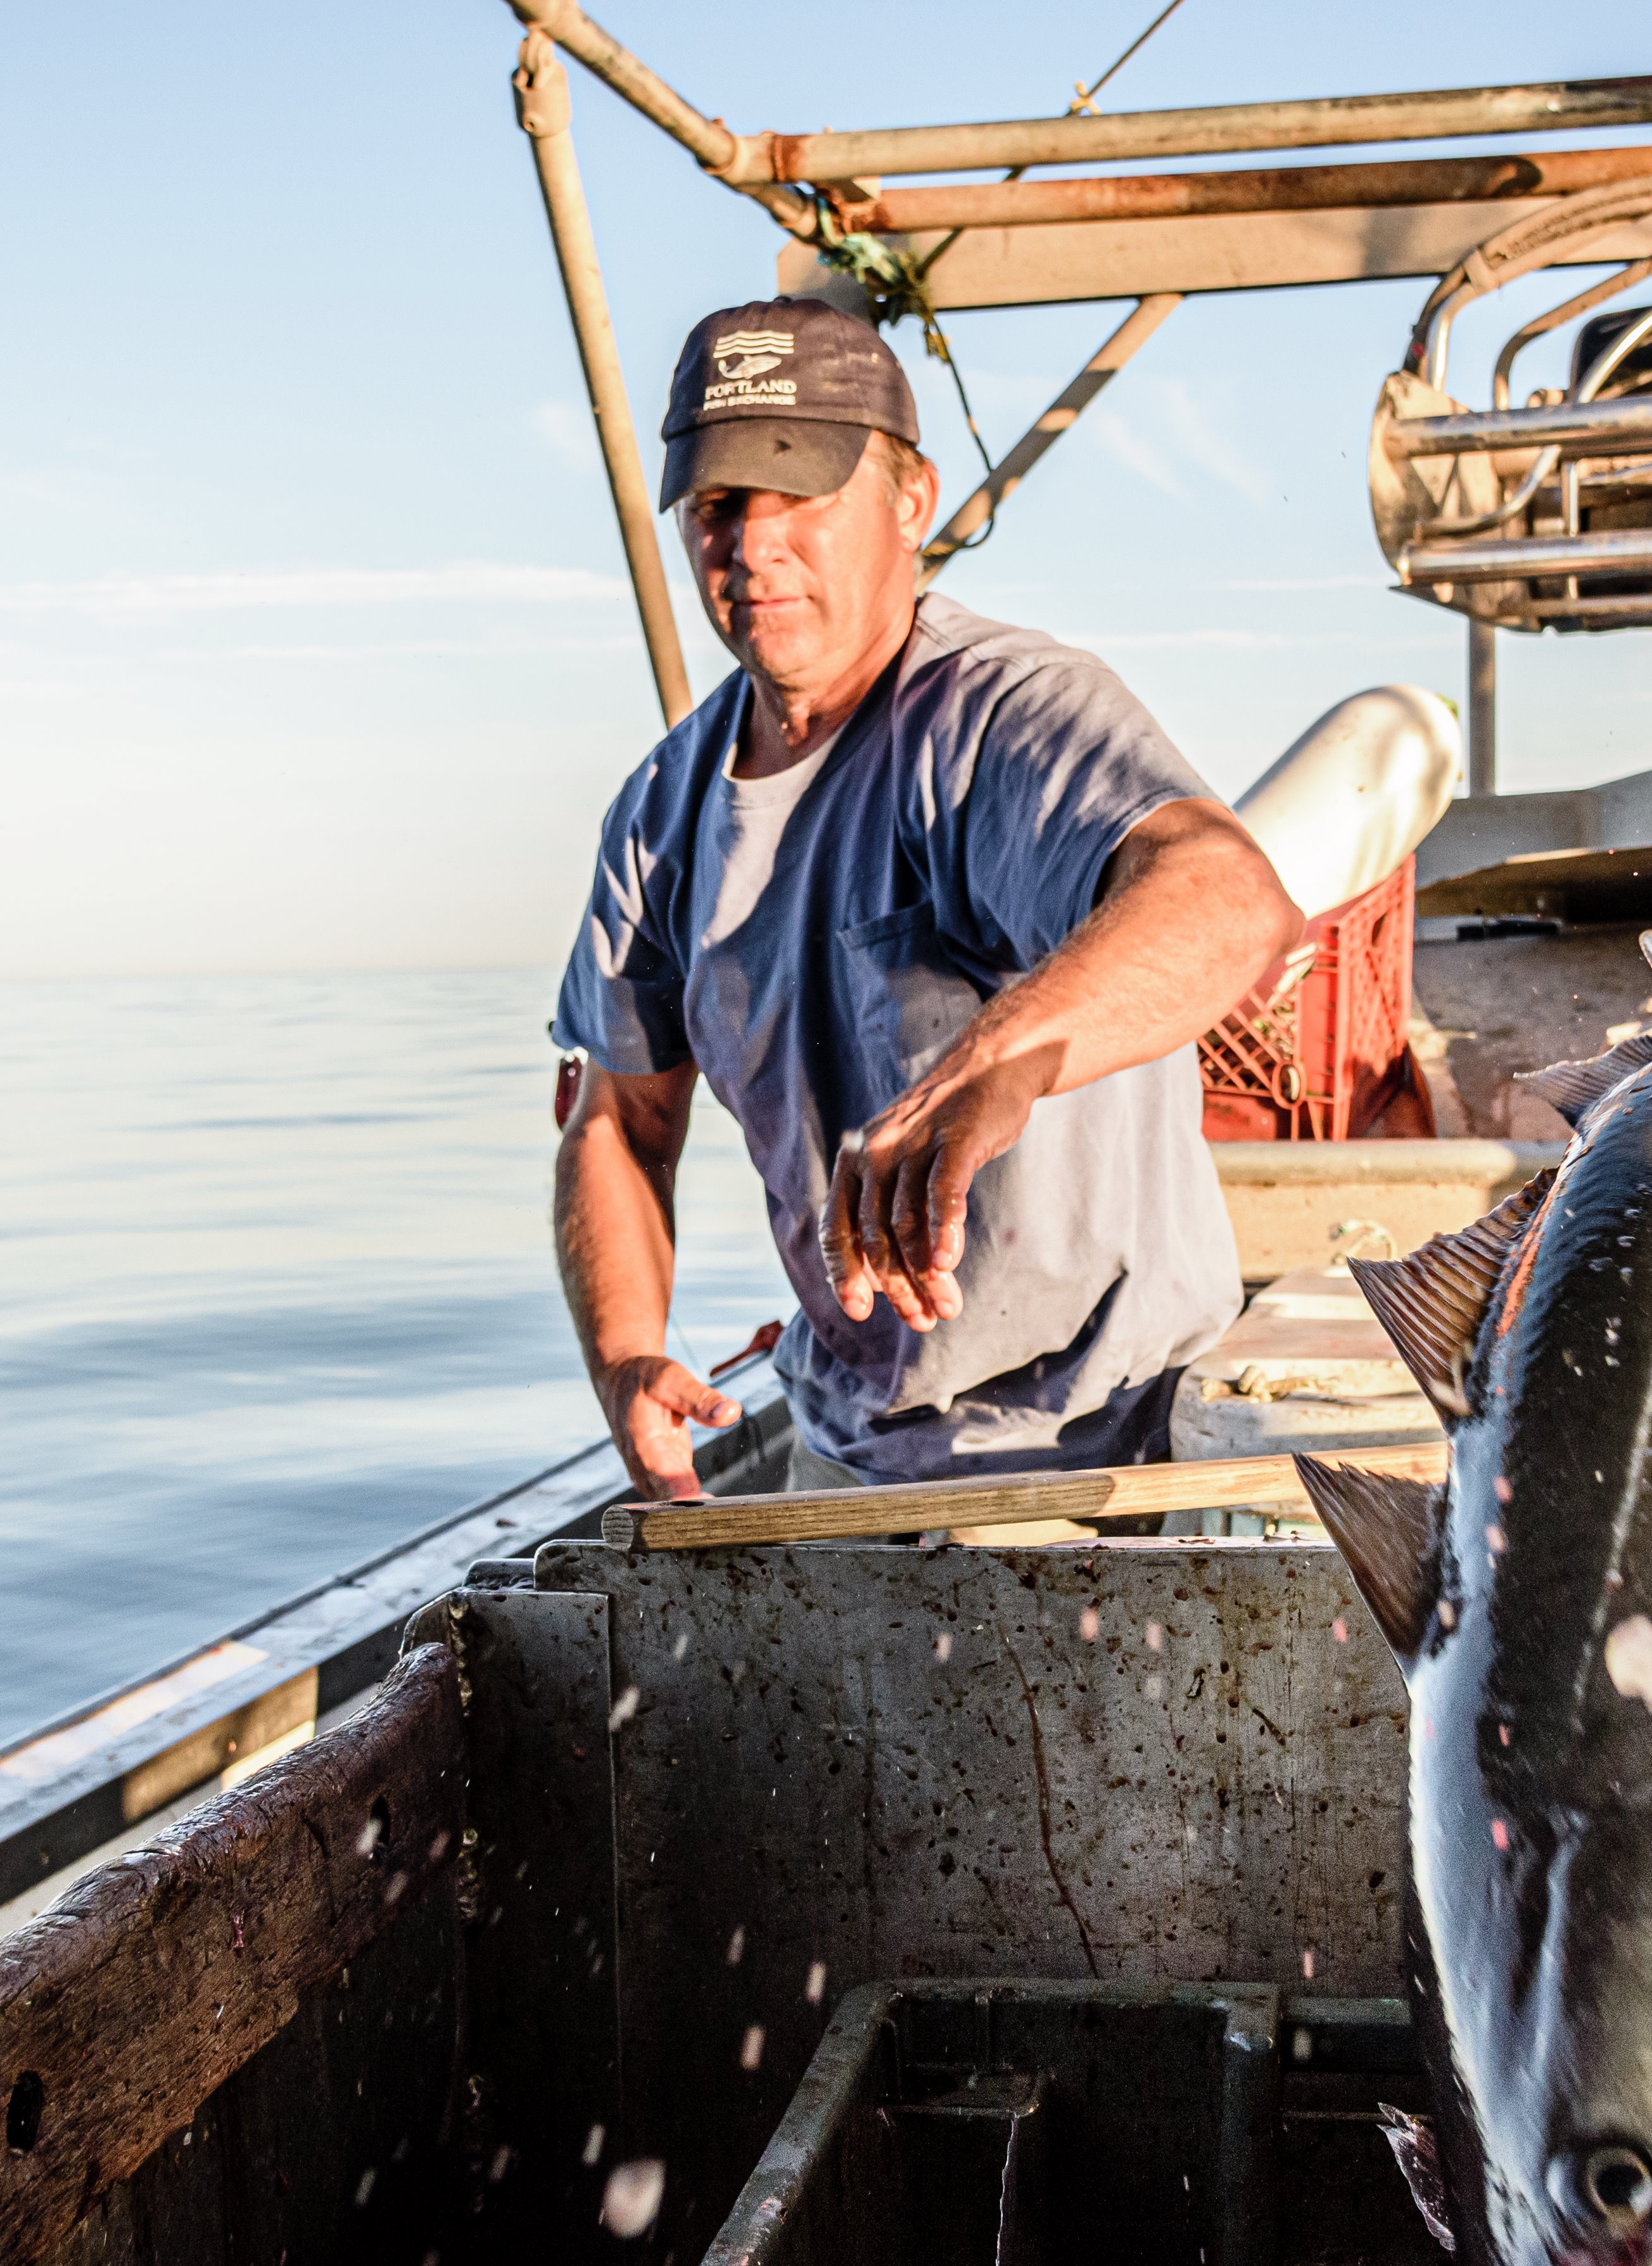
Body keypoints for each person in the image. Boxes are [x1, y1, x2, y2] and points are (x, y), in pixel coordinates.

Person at [550, 299, 1306, 1503]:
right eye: (718, 504)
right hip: (846, 1449)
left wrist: (995, 1060)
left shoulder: (1003, 715)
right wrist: (628, 1357)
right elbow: (620, 1121)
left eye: (799, 493)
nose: (754, 544)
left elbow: (1227, 898)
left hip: (1114, 1452)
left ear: (912, 501)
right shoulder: (661, 808)